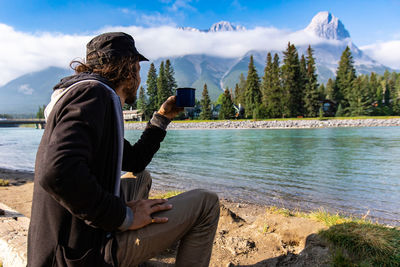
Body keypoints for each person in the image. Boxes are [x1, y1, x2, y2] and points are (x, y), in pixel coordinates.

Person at [27, 32, 220, 267]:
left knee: (141, 177)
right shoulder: (93, 94)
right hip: (79, 255)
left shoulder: (87, 96)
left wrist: (161, 118)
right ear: (128, 67)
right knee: (206, 203)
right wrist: (123, 216)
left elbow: (135, 161)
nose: (140, 76)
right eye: (138, 67)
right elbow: (57, 171)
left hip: (75, 238)